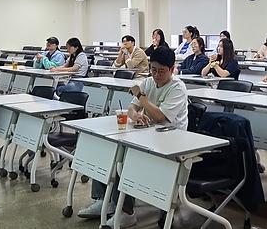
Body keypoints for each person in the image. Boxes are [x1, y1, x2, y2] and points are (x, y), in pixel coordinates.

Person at [78, 45, 189, 218]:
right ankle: (103, 200)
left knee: (124, 157)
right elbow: (131, 108)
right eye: (153, 70)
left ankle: (126, 212)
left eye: (162, 71)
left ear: (172, 69)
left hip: (170, 142)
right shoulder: (148, 82)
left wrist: (141, 98)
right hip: (149, 135)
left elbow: (160, 117)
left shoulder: (177, 88)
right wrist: (136, 116)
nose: (157, 75)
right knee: (109, 149)